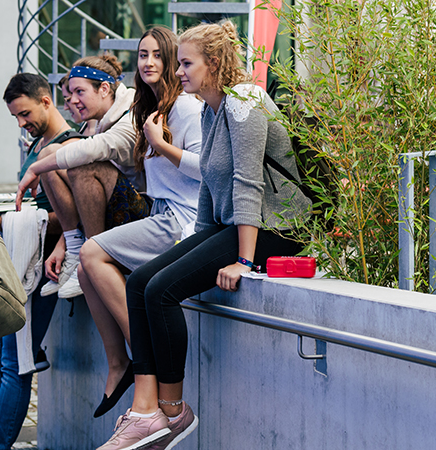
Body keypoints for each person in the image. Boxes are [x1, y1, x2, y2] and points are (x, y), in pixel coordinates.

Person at [97, 22, 313, 450]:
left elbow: (247, 182)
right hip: (233, 225)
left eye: (185, 63)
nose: (178, 72)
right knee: (140, 281)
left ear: (213, 63)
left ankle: (173, 413)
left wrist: (245, 262)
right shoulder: (214, 108)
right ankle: (145, 412)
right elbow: (211, 188)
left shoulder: (245, 102)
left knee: (161, 292)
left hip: (277, 228)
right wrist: (194, 246)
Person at [78, 25, 203, 419]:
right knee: (86, 272)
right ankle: (120, 364)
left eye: (157, 56)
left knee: (92, 252)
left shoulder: (185, 107)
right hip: (159, 213)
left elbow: (207, 169)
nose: (148, 62)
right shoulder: (151, 108)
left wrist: (161, 144)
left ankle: (143, 352)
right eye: (142, 55)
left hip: (183, 220)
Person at [0, 73, 76, 450]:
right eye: (15, 117)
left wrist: (8, 222)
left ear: (46, 101)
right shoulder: (41, 142)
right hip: (24, 256)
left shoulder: (68, 144)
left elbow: (72, 214)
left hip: (41, 263)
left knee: (15, 361)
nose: (21, 123)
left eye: (25, 113)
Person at [17, 55, 150, 301]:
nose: (72, 102)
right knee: (51, 155)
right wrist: (64, 245)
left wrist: (35, 168)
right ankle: (78, 249)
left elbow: (94, 149)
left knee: (79, 165)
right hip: (120, 207)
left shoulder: (132, 112)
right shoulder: (103, 118)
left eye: (79, 92)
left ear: (104, 89)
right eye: (70, 94)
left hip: (146, 214)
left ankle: (89, 257)